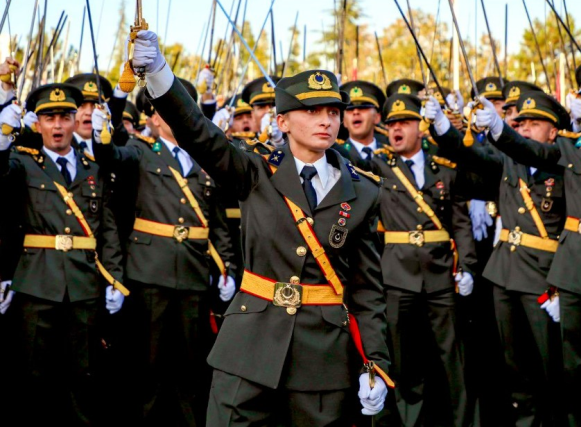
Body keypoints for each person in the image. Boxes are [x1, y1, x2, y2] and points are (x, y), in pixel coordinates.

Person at [129, 29, 393, 426]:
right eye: (312, 111)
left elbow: (367, 289)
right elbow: (200, 135)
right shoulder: (254, 169)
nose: (326, 121)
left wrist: (376, 362)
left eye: (333, 112)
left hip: (322, 357)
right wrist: (160, 74)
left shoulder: (363, 191)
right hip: (249, 348)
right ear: (282, 121)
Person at [474, 44, 581, 427]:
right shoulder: (569, 148)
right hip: (574, 277)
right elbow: (528, 150)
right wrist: (497, 127)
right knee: (578, 376)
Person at [92, 78, 237, 426]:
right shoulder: (143, 152)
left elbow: (218, 224)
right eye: (167, 111)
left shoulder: (207, 160)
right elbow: (110, 155)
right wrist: (105, 125)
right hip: (150, 271)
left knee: (190, 365)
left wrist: (227, 268)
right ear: (153, 118)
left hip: (193, 273)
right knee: (149, 365)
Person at [426, 90, 570, 426]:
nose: (525, 129)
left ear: (553, 132)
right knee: (514, 368)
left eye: (535, 124)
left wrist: (562, 282)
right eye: (521, 123)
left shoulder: (563, 161)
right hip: (505, 274)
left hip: (544, 277)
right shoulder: (509, 162)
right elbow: (470, 155)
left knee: (551, 367)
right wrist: (443, 125)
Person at [0, 83, 125, 426]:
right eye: (49, 118)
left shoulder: (93, 168)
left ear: (74, 121)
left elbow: (107, 228)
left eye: (64, 117)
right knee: (34, 380)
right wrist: (2, 138)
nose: (57, 126)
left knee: (82, 379)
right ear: (36, 124)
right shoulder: (21, 162)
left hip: (83, 287)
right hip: (37, 286)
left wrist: (114, 277)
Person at [372, 92, 476, 427]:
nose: (396, 129)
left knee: (454, 360)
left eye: (404, 122)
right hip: (397, 276)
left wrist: (468, 267)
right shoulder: (379, 167)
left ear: (420, 127)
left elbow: (460, 223)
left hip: (441, 275)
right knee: (405, 362)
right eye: (391, 124)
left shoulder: (443, 168)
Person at [334, 80, 388, 171]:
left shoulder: (392, 153)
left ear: (377, 118)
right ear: (344, 121)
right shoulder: (336, 154)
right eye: (350, 109)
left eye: (363, 108)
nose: (356, 112)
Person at [65, 73, 114, 158]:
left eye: (95, 106)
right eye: (81, 105)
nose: (89, 112)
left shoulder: (111, 147)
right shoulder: (60, 147)